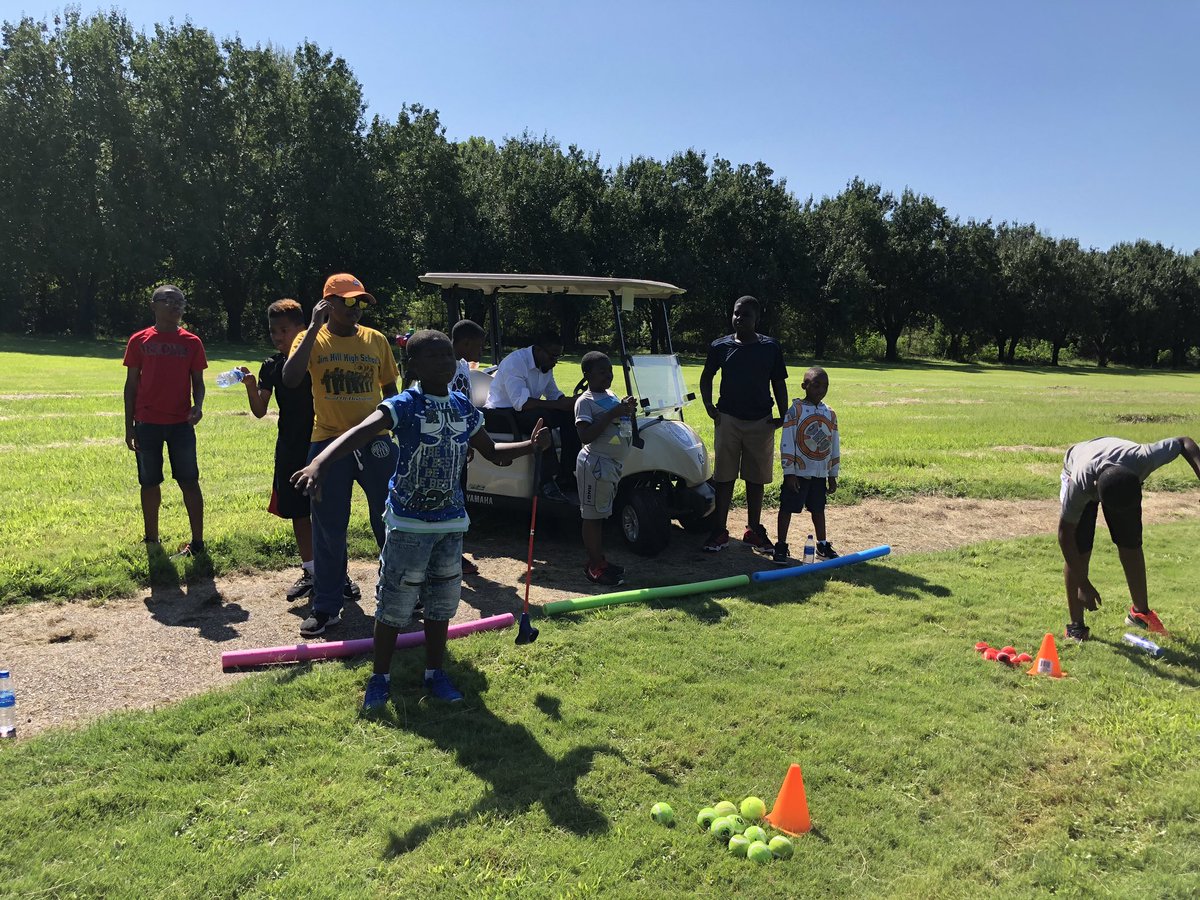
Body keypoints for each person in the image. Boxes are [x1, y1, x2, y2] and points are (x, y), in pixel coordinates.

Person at [291, 330, 549, 709]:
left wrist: (531, 445)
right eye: (433, 356)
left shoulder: (463, 406)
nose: (444, 362)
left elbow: (492, 452)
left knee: (442, 603)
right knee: (394, 605)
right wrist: (319, 462)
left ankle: (435, 673)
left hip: (450, 523)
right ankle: (380, 678)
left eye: (448, 355)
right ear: (413, 365)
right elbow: (359, 433)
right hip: (409, 523)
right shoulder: (404, 404)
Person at [282, 273, 400, 637]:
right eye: (347, 302)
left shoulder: (376, 340)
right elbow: (290, 379)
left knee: (392, 519)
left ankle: (402, 594)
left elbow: (391, 389)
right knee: (329, 527)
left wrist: (394, 428)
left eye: (360, 302)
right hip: (329, 443)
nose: (355, 309)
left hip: (376, 441)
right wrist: (314, 329)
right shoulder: (309, 338)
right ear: (327, 304)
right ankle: (327, 606)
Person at [1058, 435, 1200, 642]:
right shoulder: (1079, 485)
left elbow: (1184, 443)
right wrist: (1084, 584)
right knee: (1080, 549)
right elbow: (1064, 535)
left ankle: (1139, 614)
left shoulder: (1143, 459)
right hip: (1079, 463)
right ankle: (1076, 626)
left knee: (1130, 542)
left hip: (1121, 473)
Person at [236, 299, 317, 601]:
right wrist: (250, 384)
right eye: (273, 331)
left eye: (284, 330)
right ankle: (310, 571)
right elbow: (259, 410)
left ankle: (337, 572)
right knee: (298, 510)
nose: (278, 336)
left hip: (320, 443)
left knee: (327, 511)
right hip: (290, 446)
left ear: (302, 328)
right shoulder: (271, 366)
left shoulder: (317, 359)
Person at [699, 295, 788, 553]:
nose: (739, 318)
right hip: (727, 419)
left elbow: (778, 383)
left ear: (756, 319)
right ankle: (719, 531)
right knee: (724, 477)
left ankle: (753, 529)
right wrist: (708, 406)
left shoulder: (770, 347)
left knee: (755, 478)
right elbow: (707, 377)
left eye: (746, 314)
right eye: (736, 313)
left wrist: (783, 414)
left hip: (761, 421)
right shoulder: (720, 346)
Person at [122, 284, 207, 556]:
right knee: (149, 483)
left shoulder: (192, 342)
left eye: (179, 301)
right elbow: (131, 385)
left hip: (181, 424)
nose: (175, 306)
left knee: (189, 481)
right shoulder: (139, 340)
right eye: (168, 300)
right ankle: (151, 541)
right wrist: (129, 426)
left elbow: (199, 383)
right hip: (146, 423)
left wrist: (198, 405)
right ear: (153, 305)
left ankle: (197, 543)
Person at [484, 333, 580, 503]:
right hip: (500, 415)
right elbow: (521, 403)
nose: (555, 361)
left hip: (523, 413)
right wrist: (558, 405)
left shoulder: (545, 365)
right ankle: (546, 482)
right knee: (540, 418)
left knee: (569, 415)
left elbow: (553, 394)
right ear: (538, 350)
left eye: (558, 356)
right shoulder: (516, 363)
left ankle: (567, 473)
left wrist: (571, 403)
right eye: (553, 355)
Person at [574, 352, 637, 586]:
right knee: (592, 517)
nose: (608, 376)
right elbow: (585, 435)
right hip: (595, 465)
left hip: (610, 467)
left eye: (610, 371)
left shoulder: (610, 395)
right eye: (601, 372)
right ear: (588, 375)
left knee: (601, 514)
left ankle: (600, 560)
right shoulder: (585, 401)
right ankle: (593, 566)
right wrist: (613, 413)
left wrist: (626, 408)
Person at [775, 366, 840, 565]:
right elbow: (787, 441)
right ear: (804, 386)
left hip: (819, 472)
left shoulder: (830, 413)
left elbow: (833, 444)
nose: (821, 390)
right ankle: (781, 545)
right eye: (816, 385)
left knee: (818, 509)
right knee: (787, 507)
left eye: (825, 386)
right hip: (799, 472)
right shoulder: (795, 410)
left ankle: (822, 544)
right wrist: (789, 472)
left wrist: (832, 473)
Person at [450, 319, 486, 575]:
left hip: (463, 443)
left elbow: (468, 403)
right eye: (478, 346)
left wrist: (471, 439)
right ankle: (451, 555)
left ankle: (455, 552)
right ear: (465, 343)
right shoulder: (444, 367)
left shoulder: (463, 366)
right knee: (451, 499)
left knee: (459, 498)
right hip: (447, 447)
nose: (480, 352)